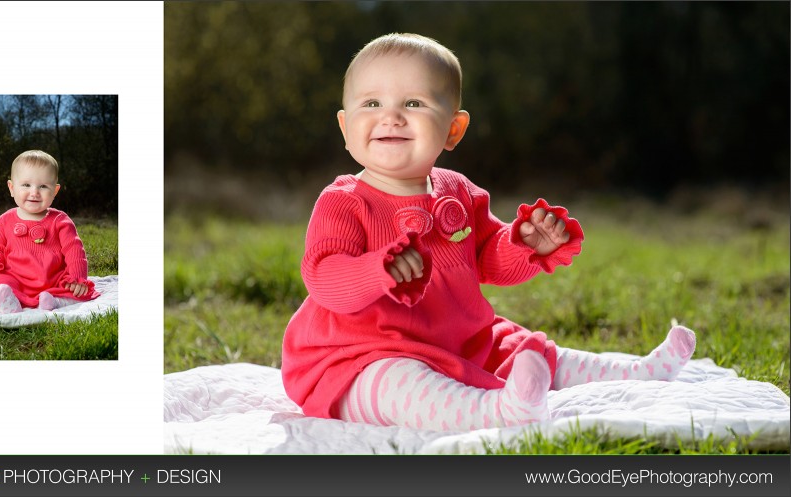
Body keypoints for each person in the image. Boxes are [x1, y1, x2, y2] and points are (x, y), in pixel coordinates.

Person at [281, 33, 696, 431]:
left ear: (453, 130)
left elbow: (488, 261)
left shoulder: (458, 191)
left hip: (457, 337)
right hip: (357, 356)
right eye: (371, 102)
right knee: (398, 383)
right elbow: (324, 280)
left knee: (524, 347)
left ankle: (636, 373)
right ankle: (497, 410)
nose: (391, 115)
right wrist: (378, 270)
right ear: (345, 126)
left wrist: (524, 244)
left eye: (414, 102)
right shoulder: (344, 201)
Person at [0, 150, 100, 313]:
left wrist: (77, 278)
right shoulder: (5, 220)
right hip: (16, 278)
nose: (34, 192)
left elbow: (75, 251)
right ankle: (7, 301)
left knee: (76, 288)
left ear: (55, 191)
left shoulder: (60, 221)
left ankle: (55, 301)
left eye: (43, 186)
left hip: (52, 279)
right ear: (11, 188)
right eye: (26, 185)